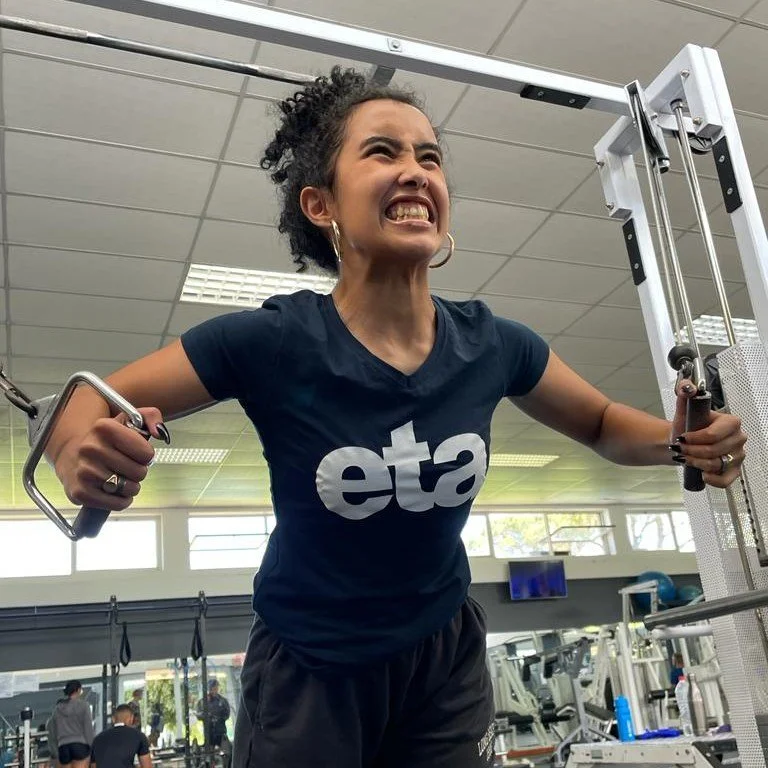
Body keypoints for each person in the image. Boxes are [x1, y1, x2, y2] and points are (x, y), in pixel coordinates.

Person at [47, 67, 746, 768]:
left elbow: (598, 423)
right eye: (383, 152)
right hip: (309, 666)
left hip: (441, 657)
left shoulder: (495, 345)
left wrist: (679, 443)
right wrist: (76, 451)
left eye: (429, 157)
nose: (414, 172)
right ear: (320, 204)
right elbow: (85, 401)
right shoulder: (273, 341)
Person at [51, 682, 93, 768]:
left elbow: (54, 732)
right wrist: (92, 746)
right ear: (78, 690)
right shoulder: (84, 705)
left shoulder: (57, 709)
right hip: (80, 745)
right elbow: (88, 728)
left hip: (63, 746)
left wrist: (56, 749)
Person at [196, 680, 231, 768]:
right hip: (209, 731)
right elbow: (198, 714)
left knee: (225, 750)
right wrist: (206, 716)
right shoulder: (203, 701)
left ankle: (225, 765)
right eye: (213, 688)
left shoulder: (223, 700)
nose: (215, 690)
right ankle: (211, 764)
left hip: (221, 730)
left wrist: (221, 717)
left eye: (216, 688)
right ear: (209, 689)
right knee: (210, 750)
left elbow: (227, 714)